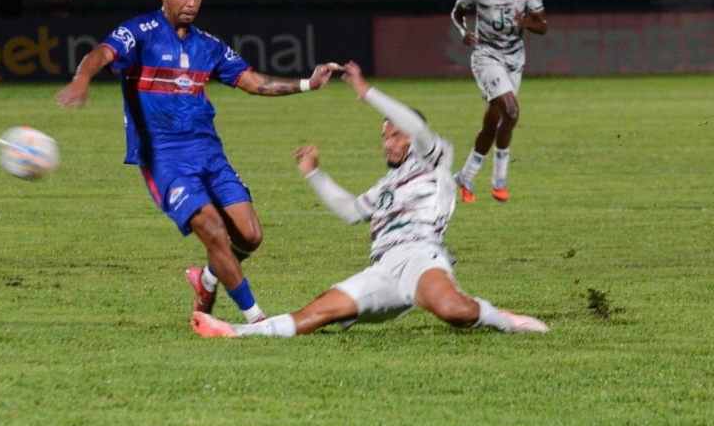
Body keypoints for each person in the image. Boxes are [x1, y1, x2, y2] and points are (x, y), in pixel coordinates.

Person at [56, 0, 340, 324]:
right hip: (164, 157)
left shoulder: (209, 46)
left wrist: (308, 83)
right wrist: (82, 79)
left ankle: (207, 279)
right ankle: (257, 318)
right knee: (210, 226)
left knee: (250, 236)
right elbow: (101, 53)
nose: (191, 2)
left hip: (208, 152)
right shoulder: (140, 32)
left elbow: (252, 82)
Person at [191, 61, 549, 338]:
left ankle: (504, 320)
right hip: (382, 268)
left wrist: (367, 92)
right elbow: (350, 212)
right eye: (384, 136)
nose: (389, 141)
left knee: (453, 310)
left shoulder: (434, 157)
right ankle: (235, 332)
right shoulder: (386, 185)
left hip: (421, 257)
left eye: (396, 134)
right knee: (316, 313)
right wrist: (314, 173)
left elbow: (417, 127)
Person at [450, 0, 548, 203]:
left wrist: (525, 21)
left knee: (492, 123)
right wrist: (463, 31)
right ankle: (499, 180)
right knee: (512, 112)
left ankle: (465, 176)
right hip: (486, 55)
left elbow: (542, 25)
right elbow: (457, 12)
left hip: (514, 58)